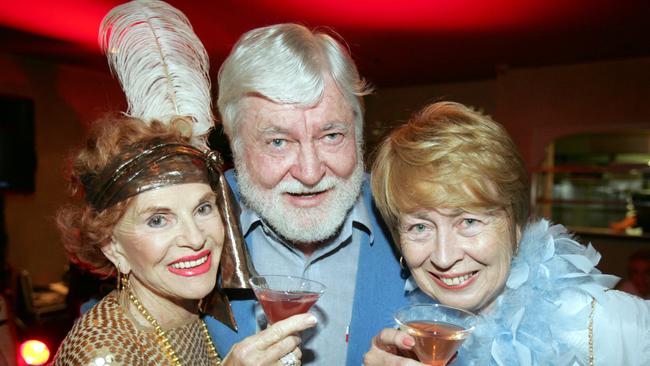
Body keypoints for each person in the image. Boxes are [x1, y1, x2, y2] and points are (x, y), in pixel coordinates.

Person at [54, 1, 316, 365]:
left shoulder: (188, 310)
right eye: (157, 219)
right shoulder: (104, 351)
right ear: (113, 247)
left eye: (203, 208)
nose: (195, 238)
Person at [364, 101, 650, 365]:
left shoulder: (608, 326)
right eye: (420, 227)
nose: (443, 256)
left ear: (517, 226)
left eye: (469, 221)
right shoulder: (417, 341)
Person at [207, 23, 409, 365]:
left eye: (331, 136)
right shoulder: (191, 222)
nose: (311, 172)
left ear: (358, 136)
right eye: (278, 142)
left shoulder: (414, 214)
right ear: (237, 148)